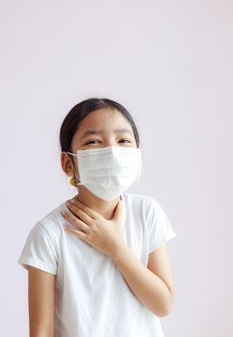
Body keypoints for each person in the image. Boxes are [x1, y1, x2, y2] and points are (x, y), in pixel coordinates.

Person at [18, 97, 177, 337]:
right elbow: (41, 330)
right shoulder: (49, 233)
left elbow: (163, 304)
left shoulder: (146, 213)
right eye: (94, 141)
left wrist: (116, 248)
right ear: (68, 162)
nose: (112, 151)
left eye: (123, 140)